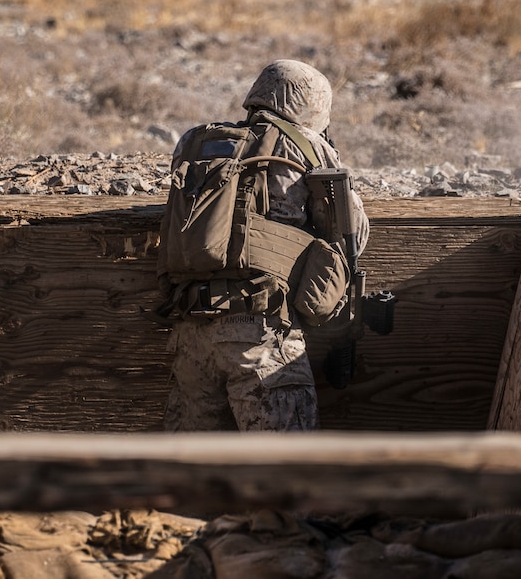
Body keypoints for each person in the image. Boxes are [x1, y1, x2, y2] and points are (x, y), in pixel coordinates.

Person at [157, 59, 369, 432]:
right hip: (260, 336)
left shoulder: (196, 142)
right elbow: (352, 231)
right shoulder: (306, 145)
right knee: (283, 472)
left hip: (191, 334)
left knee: (191, 475)